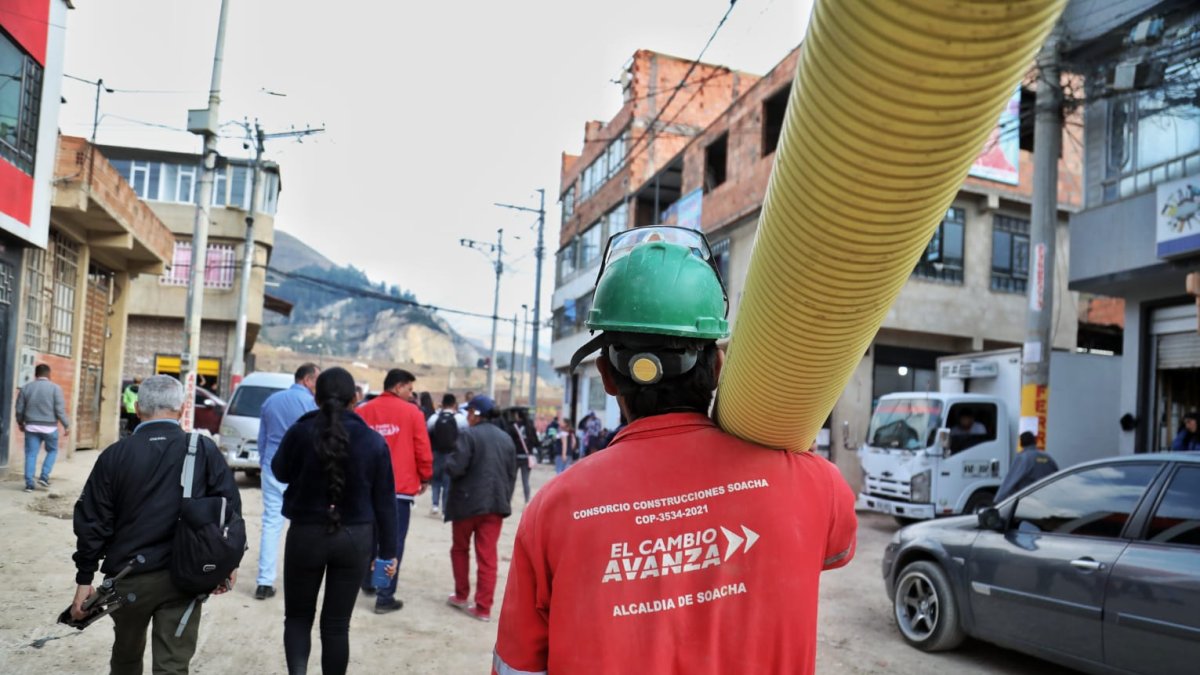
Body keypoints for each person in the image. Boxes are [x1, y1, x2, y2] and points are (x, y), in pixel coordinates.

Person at [493, 226, 857, 674]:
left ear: (607, 375)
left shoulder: (552, 510)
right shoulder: (815, 482)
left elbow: (518, 667)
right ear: (718, 364)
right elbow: (835, 550)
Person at [71, 375, 240, 674]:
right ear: (182, 408)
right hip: (185, 577)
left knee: (125, 657)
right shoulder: (203, 449)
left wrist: (85, 578)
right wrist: (229, 564)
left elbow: (92, 520)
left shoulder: (115, 455)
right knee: (172, 666)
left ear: (137, 408)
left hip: (127, 580)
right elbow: (229, 510)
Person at [270, 367, 398, 675]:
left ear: (315, 397)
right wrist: (388, 552)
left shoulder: (300, 432)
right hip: (355, 539)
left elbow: (279, 471)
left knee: (298, 618)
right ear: (356, 398)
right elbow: (385, 503)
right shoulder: (373, 441)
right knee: (337, 626)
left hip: (306, 535)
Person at [355, 368, 433, 612]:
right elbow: (421, 448)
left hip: (367, 487)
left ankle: (368, 582)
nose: (411, 395)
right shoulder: (413, 413)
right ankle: (384, 594)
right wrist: (426, 476)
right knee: (393, 540)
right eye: (409, 389)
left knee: (371, 535)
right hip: (398, 489)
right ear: (398, 387)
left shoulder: (363, 411)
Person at [444, 395, 517, 622]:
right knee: (487, 556)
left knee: (460, 549)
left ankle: (461, 595)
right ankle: (483, 608)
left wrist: (447, 460)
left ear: (475, 413)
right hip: (495, 505)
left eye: (469, 412)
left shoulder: (468, 435)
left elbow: (455, 468)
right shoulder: (506, 439)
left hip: (467, 505)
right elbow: (511, 474)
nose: (467, 416)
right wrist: (504, 497)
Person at [255, 363, 320, 600]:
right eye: (316, 380)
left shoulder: (271, 401)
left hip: (272, 467)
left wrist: (264, 463)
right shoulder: (310, 405)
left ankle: (264, 581)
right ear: (307, 380)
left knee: (271, 523)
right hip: (301, 471)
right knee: (303, 525)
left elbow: (262, 438)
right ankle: (301, 580)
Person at [15, 363, 70, 492]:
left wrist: (20, 423)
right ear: (49, 375)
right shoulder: (56, 389)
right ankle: (44, 477)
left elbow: (19, 409)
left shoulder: (26, 388)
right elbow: (59, 410)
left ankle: (29, 484)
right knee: (52, 451)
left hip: (31, 427)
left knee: (31, 454)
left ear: (35, 375)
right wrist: (66, 425)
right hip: (50, 427)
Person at [427, 393, 467, 516]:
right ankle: (445, 509)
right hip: (452, 454)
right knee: (447, 482)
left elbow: (428, 432)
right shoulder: (459, 419)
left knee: (436, 480)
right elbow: (465, 434)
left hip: (436, 453)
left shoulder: (434, 418)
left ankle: (434, 505)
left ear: (442, 404)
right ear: (454, 404)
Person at [995, 431, 1060, 502]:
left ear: (1021, 443)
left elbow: (1010, 481)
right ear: (1035, 441)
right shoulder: (1047, 457)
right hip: (1048, 500)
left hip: (1030, 501)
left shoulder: (1023, 457)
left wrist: (997, 500)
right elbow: (1057, 477)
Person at [505, 408, 539, 503]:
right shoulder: (530, 427)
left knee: (512, 480)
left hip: (515, 457)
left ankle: (508, 499)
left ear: (517, 416)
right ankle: (526, 500)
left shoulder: (513, 427)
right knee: (525, 481)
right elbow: (536, 441)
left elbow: (509, 441)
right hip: (527, 457)